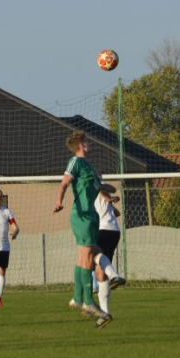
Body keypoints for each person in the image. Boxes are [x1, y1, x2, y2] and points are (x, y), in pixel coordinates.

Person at [54, 131, 112, 324]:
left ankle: (78, 299)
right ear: (80, 144)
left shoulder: (88, 166)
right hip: (82, 216)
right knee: (88, 257)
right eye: (86, 141)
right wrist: (59, 201)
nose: (89, 143)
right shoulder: (75, 162)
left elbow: (98, 187)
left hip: (91, 216)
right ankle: (88, 301)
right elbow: (64, 184)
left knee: (85, 257)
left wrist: (108, 189)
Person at [92, 189, 126, 329]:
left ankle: (115, 276)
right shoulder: (99, 189)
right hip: (114, 231)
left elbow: (101, 190)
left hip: (103, 230)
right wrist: (109, 205)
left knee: (91, 254)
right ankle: (104, 314)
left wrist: (109, 198)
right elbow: (117, 213)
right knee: (100, 273)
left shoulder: (95, 186)